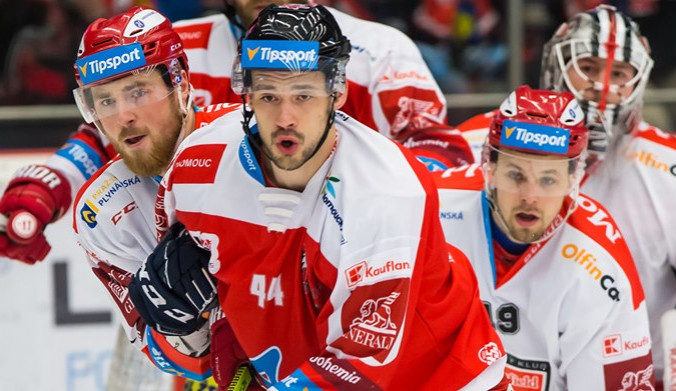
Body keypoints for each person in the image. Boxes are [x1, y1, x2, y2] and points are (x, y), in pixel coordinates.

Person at [127, 4, 510, 390]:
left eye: (304, 94)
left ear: (337, 92)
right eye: (269, 95)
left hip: (436, 378)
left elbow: (358, 367)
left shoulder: (386, 192)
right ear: (246, 94)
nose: (286, 117)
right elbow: (195, 322)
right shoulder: (196, 166)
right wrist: (186, 333)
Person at [0, 0, 473, 265]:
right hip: (197, 292)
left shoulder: (378, 51)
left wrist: (337, 216)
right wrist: (41, 189)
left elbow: (440, 161)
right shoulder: (180, 46)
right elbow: (103, 137)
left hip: (331, 286)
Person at [456, 5, 676, 386]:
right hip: (480, 369)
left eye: (620, 74)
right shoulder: (479, 141)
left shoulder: (666, 168)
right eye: (588, 68)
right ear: (556, 66)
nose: (602, 86)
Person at [70, 6, 246, 387]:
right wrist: (178, 326)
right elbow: (167, 356)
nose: (123, 117)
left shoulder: (248, 139)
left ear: (180, 81)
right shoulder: (101, 209)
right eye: (105, 100)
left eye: (137, 92)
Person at [435, 85, 654, 389]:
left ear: (572, 179)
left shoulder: (601, 264)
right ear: (491, 167)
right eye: (515, 175)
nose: (530, 196)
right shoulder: (433, 207)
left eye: (548, 179)